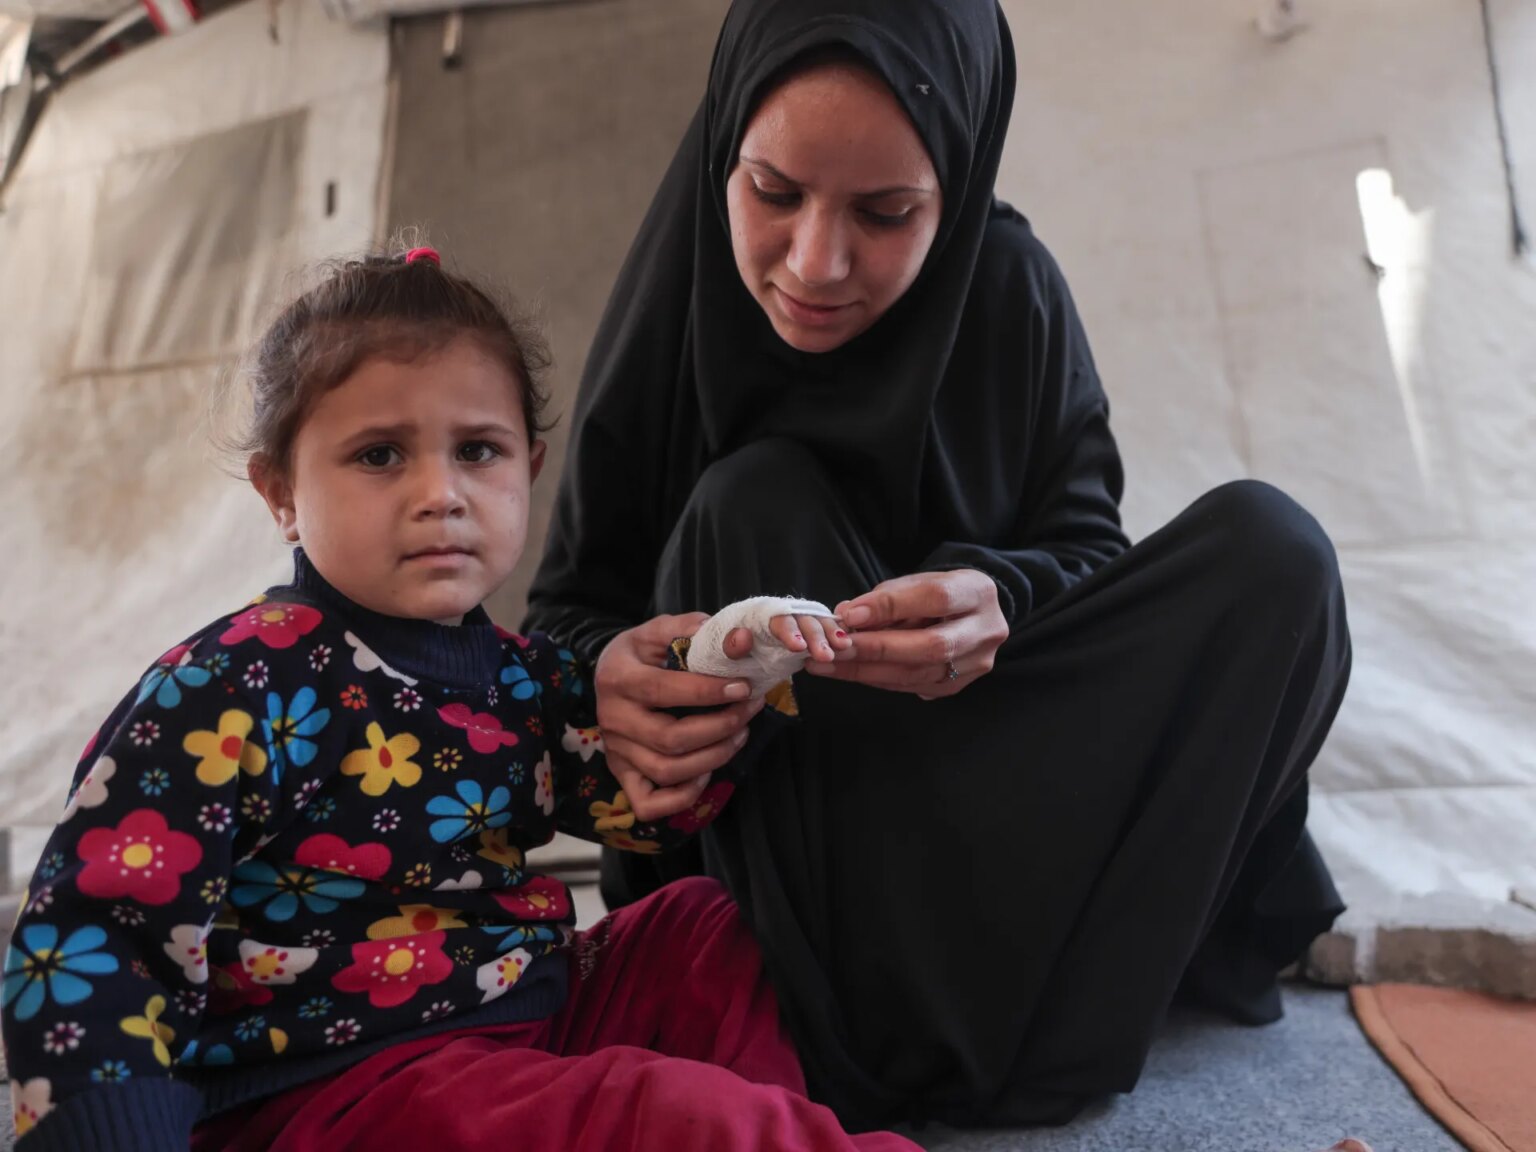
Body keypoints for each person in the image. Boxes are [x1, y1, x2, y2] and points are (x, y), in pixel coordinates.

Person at [524, 0, 1354, 1134]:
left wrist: (998, 598)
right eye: (772, 192)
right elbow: (566, 617)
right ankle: (893, 1028)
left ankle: (1018, 1010)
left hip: (999, 803)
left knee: (1275, 554)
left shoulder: (1010, 286)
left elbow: (1087, 556)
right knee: (752, 503)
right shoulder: (681, 298)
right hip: (802, 858)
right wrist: (620, 681)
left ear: (956, 189)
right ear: (725, 151)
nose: (815, 263)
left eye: (886, 212)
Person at [0, 246, 918, 1152]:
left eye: (478, 451)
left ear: (530, 466)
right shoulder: (232, 683)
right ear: (281, 494)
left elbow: (643, 799)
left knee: (698, 929)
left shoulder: (521, 675)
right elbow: (96, 937)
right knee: (662, 1112)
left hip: (523, 1016)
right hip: (336, 1086)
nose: (440, 494)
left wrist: (726, 665)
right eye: (379, 455)